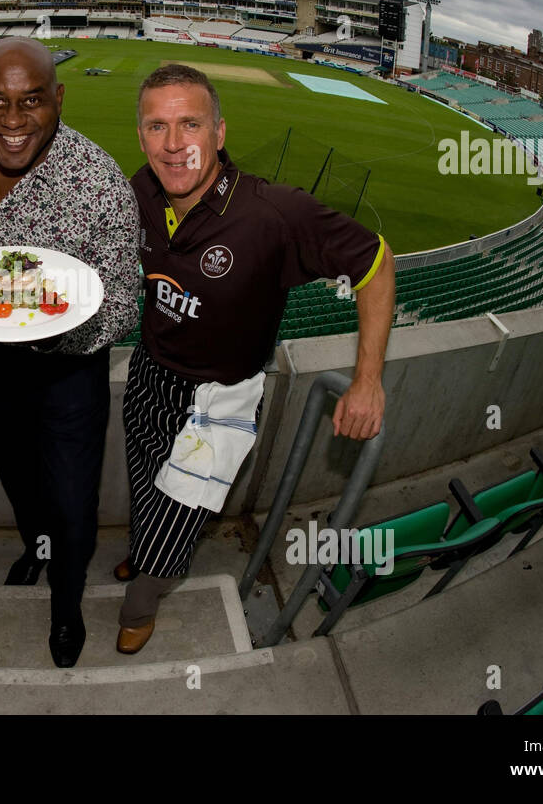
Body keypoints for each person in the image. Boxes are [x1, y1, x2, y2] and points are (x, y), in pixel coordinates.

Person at [115, 64, 395, 654]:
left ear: (219, 132)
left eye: (189, 124)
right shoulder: (136, 192)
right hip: (149, 375)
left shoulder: (275, 212)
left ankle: (143, 598)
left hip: (221, 398)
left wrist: (368, 380)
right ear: (140, 137)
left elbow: (375, 262)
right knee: (146, 489)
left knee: (178, 522)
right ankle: (144, 555)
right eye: (157, 126)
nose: (173, 144)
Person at [0, 37, 140, 668]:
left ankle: (67, 604)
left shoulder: (100, 180)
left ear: (59, 98)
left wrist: (52, 335)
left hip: (69, 374)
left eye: (31, 101)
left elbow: (121, 303)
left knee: (72, 498)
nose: (12, 120)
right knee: (20, 480)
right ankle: (38, 547)